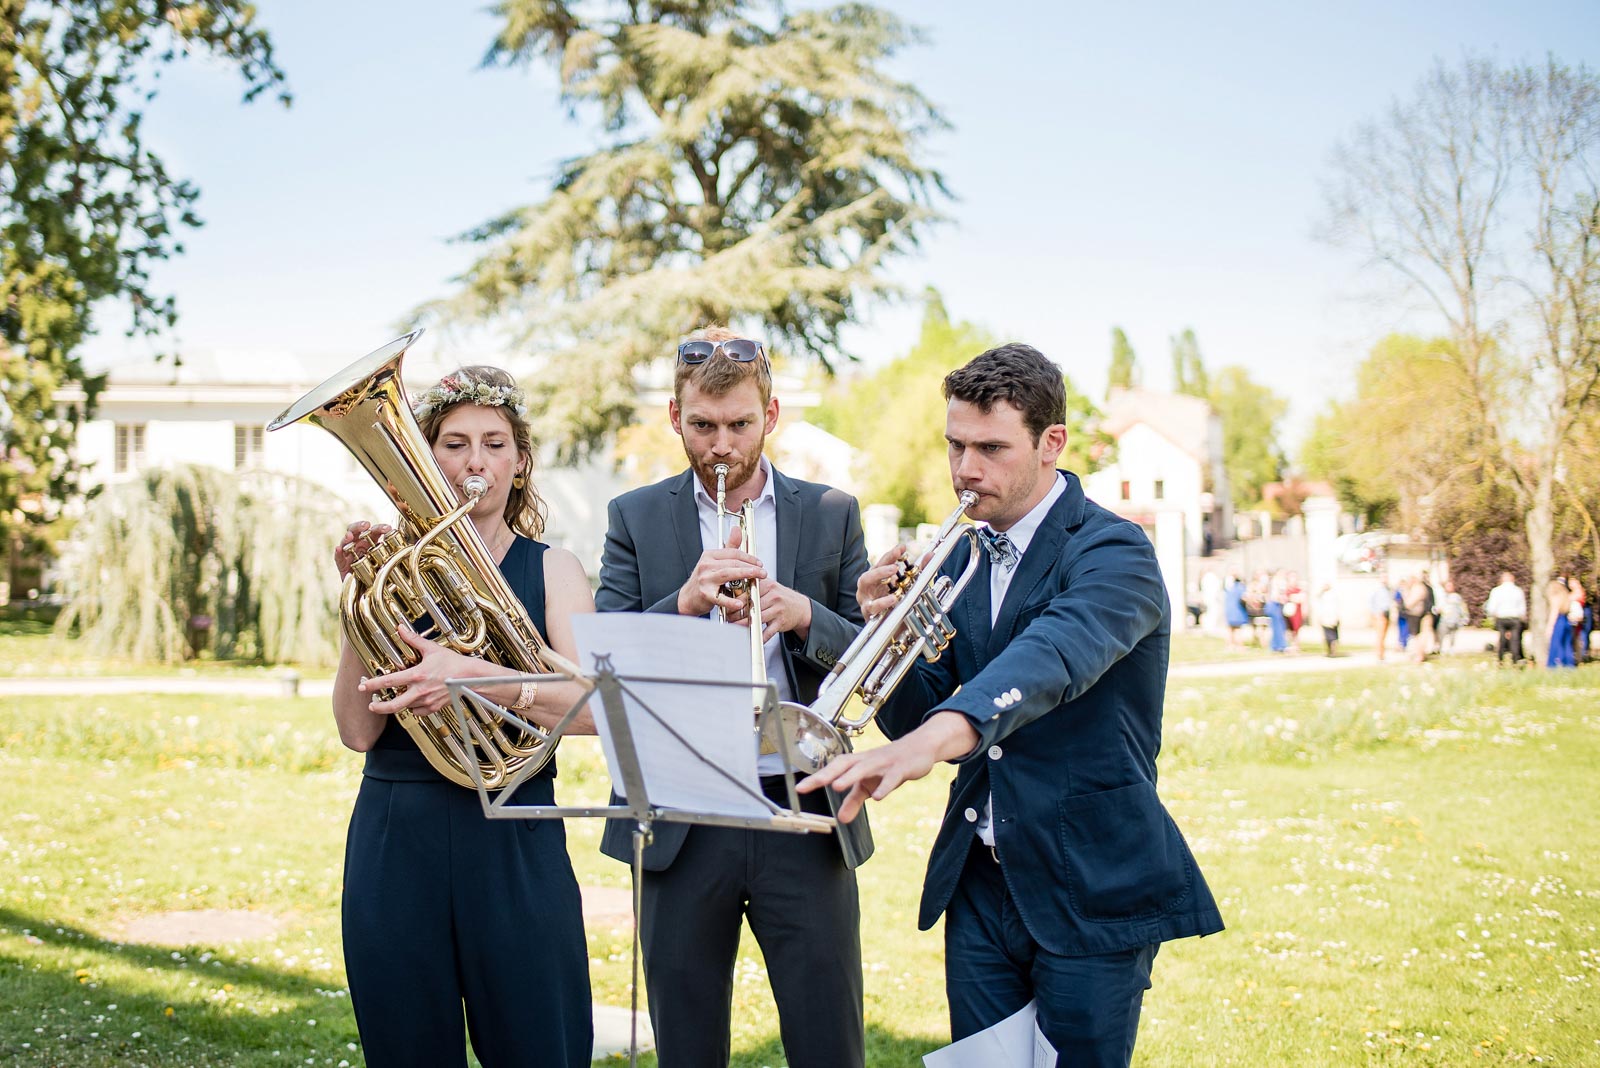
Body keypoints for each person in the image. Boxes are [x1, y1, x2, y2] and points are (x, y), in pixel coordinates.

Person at [801, 343, 1222, 1066]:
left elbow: (1054, 655)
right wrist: (884, 632)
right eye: (956, 446)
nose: (966, 470)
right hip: (982, 885)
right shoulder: (960, 558)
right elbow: (918, 707)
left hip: (1089, 879)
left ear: (1051, 443)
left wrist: (934, 739)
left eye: (991, 448)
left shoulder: (1115, 552)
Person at [594, 327, 872, 1068]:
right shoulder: (634, 515)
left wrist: (806, 616)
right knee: (686, 1045)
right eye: (703, 426)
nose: (721, 446)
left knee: (828, 1040)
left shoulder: (833, 511)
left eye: (740, 425)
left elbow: (873, 661)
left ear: (771, 416)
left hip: (801, 799)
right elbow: (606, 658)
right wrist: (682, 602)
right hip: (682, 809)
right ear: (674, 417)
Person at [331, 366, 596, 1067]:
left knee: (543, 1047)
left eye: (494, 444)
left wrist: (479, 679)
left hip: (515, 833)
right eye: (452, 444)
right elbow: (358, 731)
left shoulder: (557, 569)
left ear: (518, 464)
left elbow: (595, 713)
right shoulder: (393, 573)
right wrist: (361, 597)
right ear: (424, 458)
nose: (474, 461)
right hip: (397, 835)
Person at [1484, 571, 1527, 665]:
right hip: (1515, 618)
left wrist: (1493, 617)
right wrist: (1523, 619)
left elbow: (1491, 608)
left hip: (1501, 617)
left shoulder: (1496, 591)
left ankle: (1500, 659)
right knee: (1515, 640)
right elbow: (1522, 608)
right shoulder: (1518, 590)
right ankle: (1516, 659)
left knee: (1501, 639)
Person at [1547, 576, 1576, 668]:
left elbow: (1554, 612)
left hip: (1558, 621)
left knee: (1555, 643)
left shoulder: (1555, 597)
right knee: (1567, 644)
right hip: (1566, 620)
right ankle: (1569, 664)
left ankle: (1553, 665)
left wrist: (1549, 627)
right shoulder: (1565, 597)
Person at [1436, 579, 1468, 654]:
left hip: (1455, 619)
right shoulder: (1442, 597)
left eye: (1451, 586)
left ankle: (1451, 648)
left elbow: (1463, 608)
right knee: (1441, 634)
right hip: (1444, 619)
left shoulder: (1457, 597)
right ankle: (1441, 648)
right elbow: (1438, 607)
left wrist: (1464, 617)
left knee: (1452, 635)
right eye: (1448, 586)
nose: (1449, 587)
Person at [1368, 578, 1394, 661]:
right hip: (1380, 614)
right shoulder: (1377, 590)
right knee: (1380, 635)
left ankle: (1382, 653)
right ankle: (1380, 654)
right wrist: (1375, 613)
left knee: (1384, 635)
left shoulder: (1388, 590)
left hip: (1387, 613)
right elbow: (1370, 602)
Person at [1316, 581, 1340, 657]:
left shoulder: (1333, 595)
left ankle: (1333, 651)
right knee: (1327, 636)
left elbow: (1336, 608)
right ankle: (1329, 651)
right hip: (1325, 618)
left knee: (1333, 636)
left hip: (1332, 617)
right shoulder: (1323, 595)